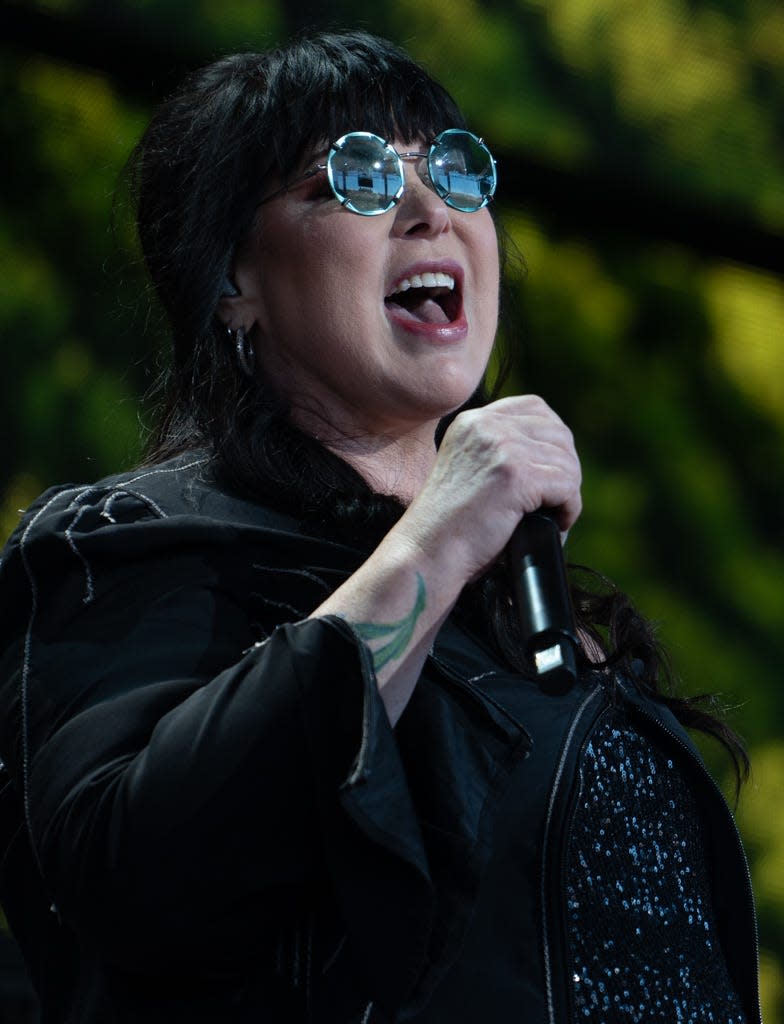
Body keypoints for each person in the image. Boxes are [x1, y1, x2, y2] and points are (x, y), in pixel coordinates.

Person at [0, 30, 760, 1024]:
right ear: (233, 281)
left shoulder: (533, 614)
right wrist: (436, 539)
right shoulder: (128, 544)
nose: (428, 210)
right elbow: (143, 882)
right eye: (352, 177)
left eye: (453, 167)